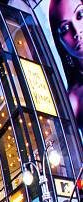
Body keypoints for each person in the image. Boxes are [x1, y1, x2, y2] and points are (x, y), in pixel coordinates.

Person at [49, 0, 83, 129]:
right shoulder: (74, 100)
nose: (76, 31)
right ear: (60, 41)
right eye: (65, 28)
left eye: (80, 15)